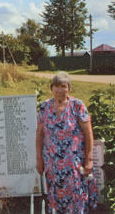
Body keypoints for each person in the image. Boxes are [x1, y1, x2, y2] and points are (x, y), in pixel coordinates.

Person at [36, 72, 97, 213]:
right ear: (51, 88)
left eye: (63, 86)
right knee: (54, 197)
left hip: (73, 164)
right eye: (56, 86)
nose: (59, 90)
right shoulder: (44, 107)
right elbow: (39, 135)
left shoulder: (77, 106)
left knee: (76, 196)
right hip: (52, 165)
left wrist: (89, 159)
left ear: (69, 88)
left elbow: (88, 134)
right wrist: (39, 159)